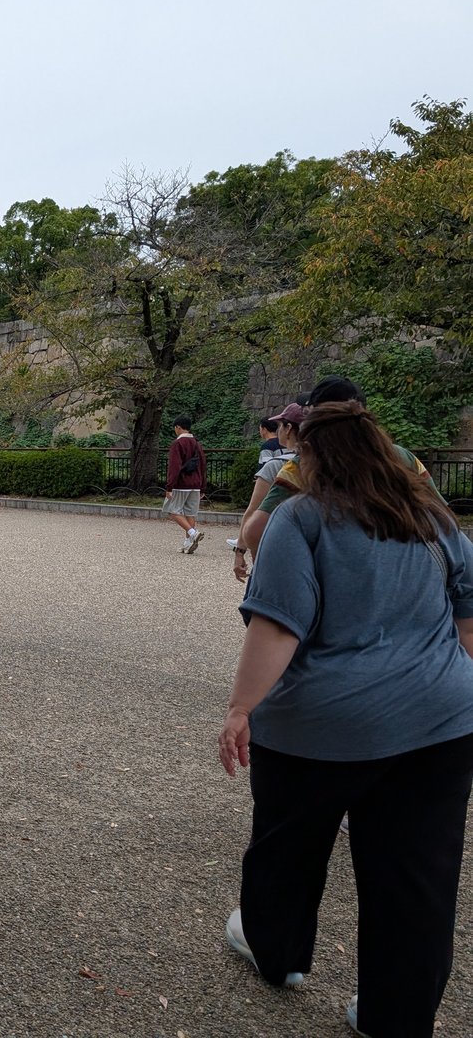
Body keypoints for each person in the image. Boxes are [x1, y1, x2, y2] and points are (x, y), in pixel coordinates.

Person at [218, 400, 473, 1038]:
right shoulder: (432, 521)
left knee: (288, 847)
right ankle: (396, 1017)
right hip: (439, 729)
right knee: (418, 880)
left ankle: (277, 955)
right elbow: (468, 620)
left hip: (318, 729)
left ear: (312, 458)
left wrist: (240, 709)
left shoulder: (301, 520)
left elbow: (278, 625)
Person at [239, 376, 439, 559]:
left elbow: (255, 532)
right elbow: (440, 513)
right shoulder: (404, 457)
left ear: (315, 417)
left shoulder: (303, 465)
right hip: (404, 572)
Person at [231, 404, 303, 580]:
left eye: (280, 426)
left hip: (280, 553)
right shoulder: (337, 464)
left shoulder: (285, 466)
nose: (278, 430)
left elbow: (254, 513)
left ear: (289, 429)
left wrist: (240, 550)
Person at [163, 416, 206, 553]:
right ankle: (188, 543)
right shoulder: (197, 443)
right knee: (190, 513)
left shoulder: (177, 444)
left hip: (181, 483)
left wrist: (169, 486)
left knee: (172, 509)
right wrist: (203, 486)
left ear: (178, 427)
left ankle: (192, 533)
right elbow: (203, 465)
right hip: (196, 483)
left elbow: (174, 466)